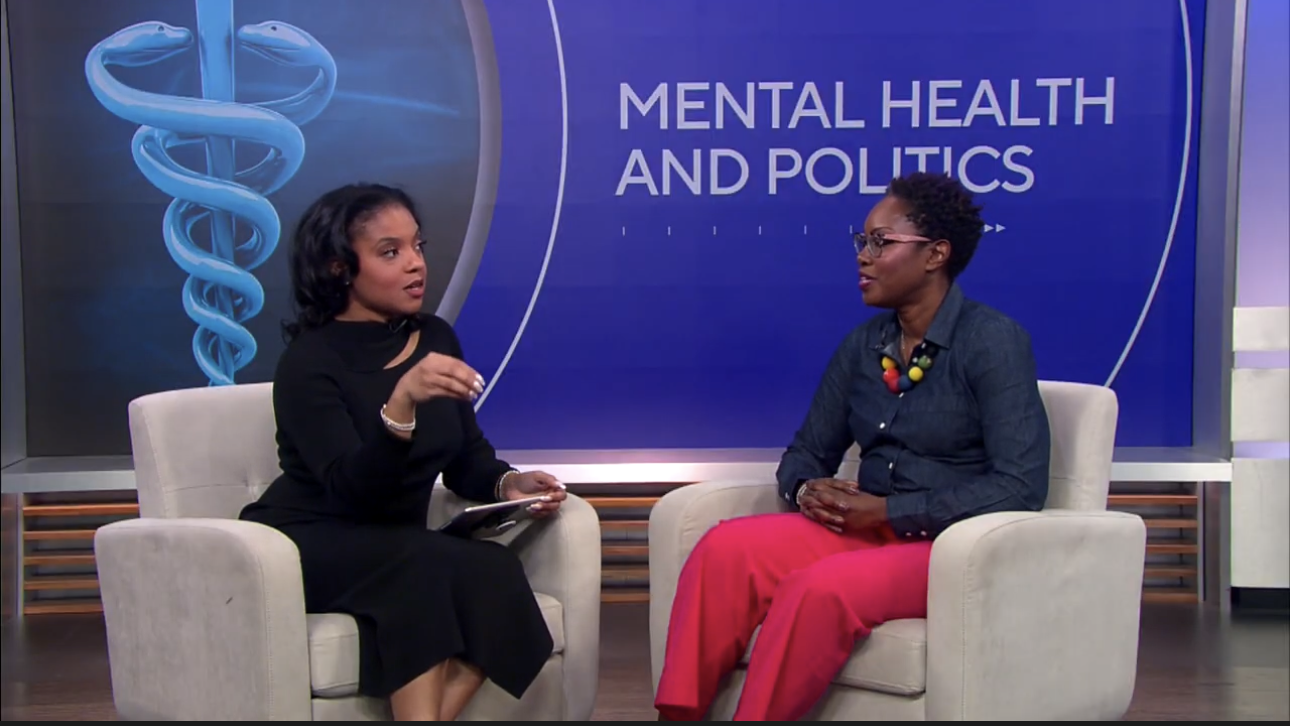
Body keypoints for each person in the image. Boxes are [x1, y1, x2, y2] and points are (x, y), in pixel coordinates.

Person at [652, 172, 1052, 721]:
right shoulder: (864, 346)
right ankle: (676, 716)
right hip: (864, 531)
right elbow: (805, 453)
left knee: (817, 591)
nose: (863, 257)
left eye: (880, 242)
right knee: (724, 551)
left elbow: (1020, 486)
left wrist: (891, 511)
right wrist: (807, 488)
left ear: (936, 254)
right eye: (861, 241)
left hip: (948, 548)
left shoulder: (993, 342)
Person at [239, 183, 567, 721]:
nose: (415, 265)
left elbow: (465, 458)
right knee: (419, 566)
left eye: (418, 246)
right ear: (339, 269)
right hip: (308, 540)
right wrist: (401, 405)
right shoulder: (307, 363)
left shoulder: (437, 337)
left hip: (394, 543)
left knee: (494, 570)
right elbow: (352, 490)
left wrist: (508, 484)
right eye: (390, 252)